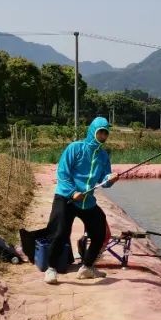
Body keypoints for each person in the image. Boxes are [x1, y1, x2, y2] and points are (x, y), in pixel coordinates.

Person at [40, 116, 116, 284]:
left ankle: (87, 267)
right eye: (100, 132)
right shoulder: (75, 148)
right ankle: (51, 269)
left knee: (99, 231)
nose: (103, 136)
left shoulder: (103, 156)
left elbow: (104, 181)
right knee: (59, 233)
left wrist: (110, 178)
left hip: (86, 201)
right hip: (66, 198)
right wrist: (72, 192)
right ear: (92, 132)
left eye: (105, 133)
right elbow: (63, 173)